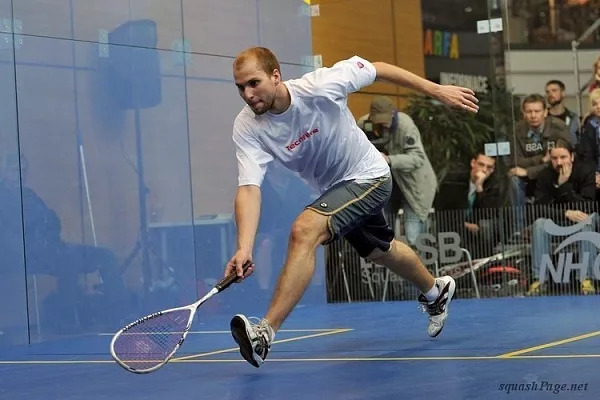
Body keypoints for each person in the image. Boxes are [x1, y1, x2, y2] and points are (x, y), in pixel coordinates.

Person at [225, 46, 479, 368]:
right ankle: (435, 291)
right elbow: (248, 187)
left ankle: (264, 334)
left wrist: (436, 90)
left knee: (304, 230)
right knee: (380, 250)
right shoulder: (247, 127)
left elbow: (380, 66)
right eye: (240, 87)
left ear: (276, 76)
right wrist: (244, 247)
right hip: (335, 191)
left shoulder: (320, 85)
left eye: (253, 83)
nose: (247, 94)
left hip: (369, 175)